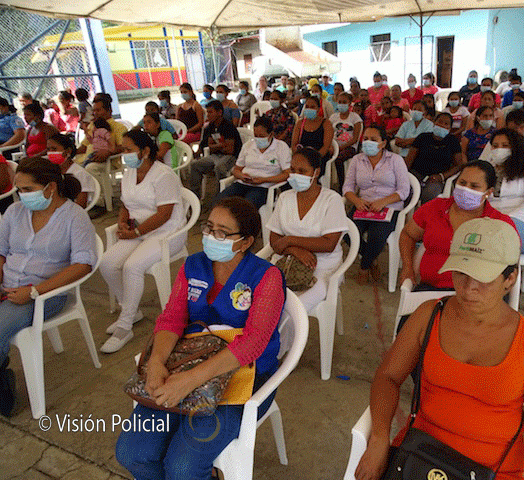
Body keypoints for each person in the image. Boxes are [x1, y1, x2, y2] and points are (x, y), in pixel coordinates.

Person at [356, 218, 524, 480]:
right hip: (418, 457)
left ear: (510, 278)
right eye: (461, 273)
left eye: (483, 277)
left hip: (492, 472)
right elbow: (388, 376)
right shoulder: (429, 315)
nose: (469, 288)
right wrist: (379, 437)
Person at [115, 197, 285, 480]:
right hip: (187, 361)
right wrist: (157, 362)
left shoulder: (266, 277)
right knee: (131, 453)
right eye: (209, 228)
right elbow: (172, 318)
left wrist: (191, 380)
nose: (211, 237)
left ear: (245, 242)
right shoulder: (194, 266)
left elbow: (253, 342)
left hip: (245, 377)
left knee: (183, 468)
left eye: (223, 233)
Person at [0, 157, 97, 417]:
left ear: (50, 187)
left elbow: (83, 264)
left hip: (46, 294)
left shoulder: (74, 217)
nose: (22, 195)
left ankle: (3, 385)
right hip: (8, 286)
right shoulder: (15, 213)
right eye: (19, 189)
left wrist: (34, 292)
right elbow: (1, 252)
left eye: (28, 189)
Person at [99, 130, 186, 353]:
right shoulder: (129, 173)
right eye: (123, 149)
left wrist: (136, 232)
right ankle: (131, 310)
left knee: (132, 266)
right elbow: (125, 204)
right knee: (107, 263)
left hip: (166, 233)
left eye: (129, 150)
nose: (124, 154)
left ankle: (124, 326)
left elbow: (164, 214)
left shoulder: (163, 175)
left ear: (145, 151)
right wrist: (122, 223)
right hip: (138, 230)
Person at [398, 160, 517, 289]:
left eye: (474, 186)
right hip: (431, 287)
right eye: (462, 183)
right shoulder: (435, 208)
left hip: (476, 293)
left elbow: (510, 266)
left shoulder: (499, 223)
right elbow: (408, 235)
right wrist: (407, 268)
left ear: (488, 192)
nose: (466, 189)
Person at [267, 147, 348, 312]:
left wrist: (289, 240)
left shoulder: (331, 200)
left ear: (316, 172)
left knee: (294, 308)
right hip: (286, 260)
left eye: (302, 171)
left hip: (322, 266)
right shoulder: (285, 198)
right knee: (263, 300)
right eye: (292, 170)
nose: (295, 175)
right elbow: (274, 241)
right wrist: (294, 250)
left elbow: (329, 244)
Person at [343, 126, 410, 284]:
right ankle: (372, 260)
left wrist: (383, 202)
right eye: (366, 139)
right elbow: (347, 187)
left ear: (383, 143)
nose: (368, 143)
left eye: (373, 140)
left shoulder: (395, 160)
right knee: (347, 232)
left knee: (377, 235)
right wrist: (357, 201)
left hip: (389, 206)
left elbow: (404, 191)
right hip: (363, 205)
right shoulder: (357, 160)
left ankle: (364, 267)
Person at [218, 116, 291, 209]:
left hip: (264, 187)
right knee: (220, 200)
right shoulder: (248, 145)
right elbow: (236, 169)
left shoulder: (281, 147)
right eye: (256, 136)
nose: (258, 139)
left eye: (262, 136)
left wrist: (264, 180)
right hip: (243, 183)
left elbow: (287, 174)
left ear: (271, 134)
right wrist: (242, 176)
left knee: (247, 205)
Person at [76, 97, 126, 200]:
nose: (95, 113)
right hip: (88, 158)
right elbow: (83, 147)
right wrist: (69, 152)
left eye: (98, 110)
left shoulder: (119, 127)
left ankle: (101, 200)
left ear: (109, 111)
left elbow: (123, 147)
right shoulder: (93, 126)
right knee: (70, 167)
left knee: (90, 168)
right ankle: (83, 200)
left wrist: (108, 152)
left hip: (108, 160)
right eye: (94, 110)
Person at [405, 112, 463, 202]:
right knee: (406, 192)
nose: (442, 125)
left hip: (437, 179)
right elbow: (409, 160)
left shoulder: (453, 141)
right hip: (416, 174)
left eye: (446, 124)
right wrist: (404, 176)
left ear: (450, 128)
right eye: (440, 122)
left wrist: (442, 176)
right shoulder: (423, 137)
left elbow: (458, 165)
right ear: (434, 122)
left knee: (430, 194)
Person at [190, 100, 242, 200]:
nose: (208, 115)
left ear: (219, 112)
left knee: (219, 167)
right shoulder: (210, 127)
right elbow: (209, 146)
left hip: (231, 157)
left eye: (210, 112)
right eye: (207, 112)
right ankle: (195, 198)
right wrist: (221, 145)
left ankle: (219, 197)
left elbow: (230, 150)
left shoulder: (228, 126)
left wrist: (215, 146)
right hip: (216, 156)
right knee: (195, 165)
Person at [46, 133, 96, 209]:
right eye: (48, 149)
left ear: (68, 151)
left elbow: (81, 205)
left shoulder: (79, 174)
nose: (50, 152)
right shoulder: (52, 171)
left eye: (54, 149)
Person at [291, 96, 334, 176]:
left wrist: (312, 160)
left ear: (318, 109)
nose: (309, 109)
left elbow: (326, 147)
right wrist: (300, 159)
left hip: (319, 159)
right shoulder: (300, 123)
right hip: (301, 159)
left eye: (312, 107)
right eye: (307, 107)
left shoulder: (326, 123)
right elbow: (294, 144)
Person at [330, 92, 363, 188]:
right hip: (334, 146)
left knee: (339, 159)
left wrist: (341, 147)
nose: (341, 104)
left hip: (349, 147)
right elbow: (329, 134)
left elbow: (355, 138)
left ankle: (342, 186)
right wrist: (332, 147)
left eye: (344, 102)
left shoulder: (355, 117)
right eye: (339, 102)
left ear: (349, 103)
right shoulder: (333, 117)